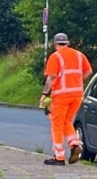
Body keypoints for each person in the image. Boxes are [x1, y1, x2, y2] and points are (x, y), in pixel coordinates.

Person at [39, 33, 92, 166]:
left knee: (57, 124)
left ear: (55, 44)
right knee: (67, 121)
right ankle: (74, 144)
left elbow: (51, 78)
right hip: (77, 94)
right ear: (67, 43)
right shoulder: (79, 55)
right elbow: (89, 71)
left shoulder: (55, 56)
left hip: (61, 96)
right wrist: (77, 81)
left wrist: (44, 94)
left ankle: (59, 157)